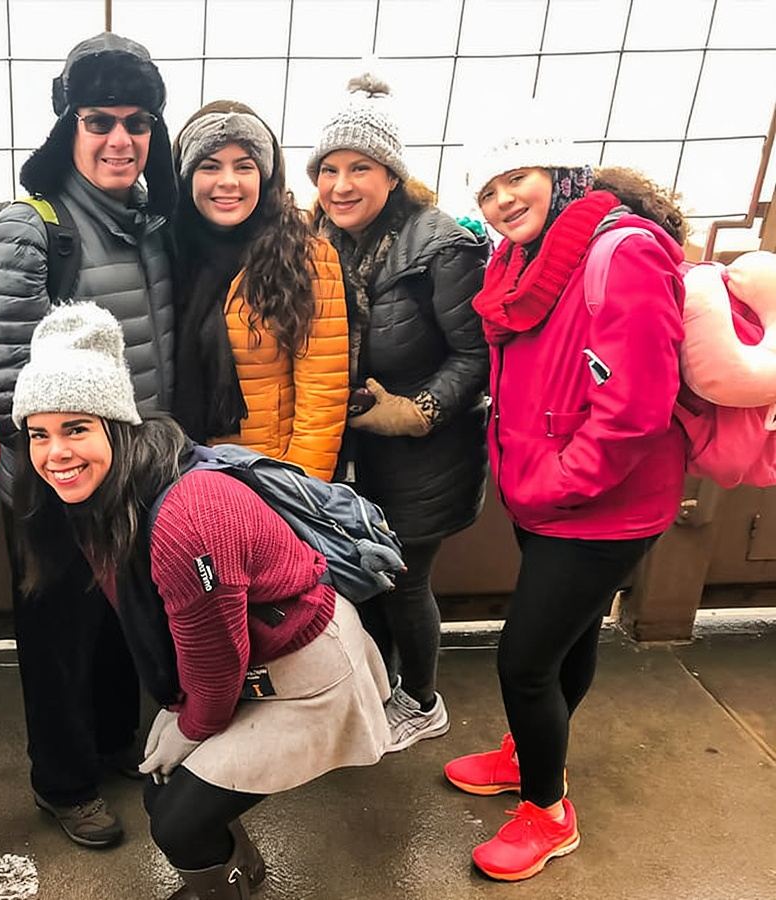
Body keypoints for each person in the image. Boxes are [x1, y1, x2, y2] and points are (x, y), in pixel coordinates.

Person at [10, 302, 391, 899]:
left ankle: (220, 886)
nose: (55, 453)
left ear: (117, 424)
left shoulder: (187, 518)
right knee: (167, 793)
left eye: (76, 428)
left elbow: (217, 660)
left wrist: (191, 722)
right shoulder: (106, 496)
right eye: (39, 433)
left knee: (176, 820)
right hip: (252, 659)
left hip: (304, 665)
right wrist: (183, 711)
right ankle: (238, 875)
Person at [445, 125, 689, 881]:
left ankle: (548, 813)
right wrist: (537, 485)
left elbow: (636, 410)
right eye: (487, 190)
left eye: (517, 177)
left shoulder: (624, 254)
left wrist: (554, 482)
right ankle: (530, 755)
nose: (502, 200)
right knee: (568, 641)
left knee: (523, 662)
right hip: (547, 494)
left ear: (561, 173)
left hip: (603, 504)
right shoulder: (523, 261)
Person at [0, 32, 177, 848]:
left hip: (132, 474)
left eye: (137, 122)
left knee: (125, 621)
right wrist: (53, 468)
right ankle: (64, 782)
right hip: (51, 478)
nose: (121, 139)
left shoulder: (149, 223)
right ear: (69, 128)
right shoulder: (33, 229)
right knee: (59, 638)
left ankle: (116, 742)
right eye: (99, 121)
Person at [308, 73, 489, 750]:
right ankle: (377, 686)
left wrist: (419, 411)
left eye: (360, 168)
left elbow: (476, 354)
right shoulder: (318, 239)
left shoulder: (440, 244)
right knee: (362, 575)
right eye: (328, 169)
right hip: (351, 447)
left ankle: (422, 699)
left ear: (392, 174)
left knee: (405, 581)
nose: (341, 185)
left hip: (424, 454)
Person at [171, 101, 348, 480]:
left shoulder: (305, 256)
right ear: (186, 177)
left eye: (244, 166)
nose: (228, 181)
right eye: (210, 166)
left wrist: (297, 490)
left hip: (267, 475)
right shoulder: (166, 252)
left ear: (265, 176)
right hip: (179, 472)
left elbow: (322, 397)